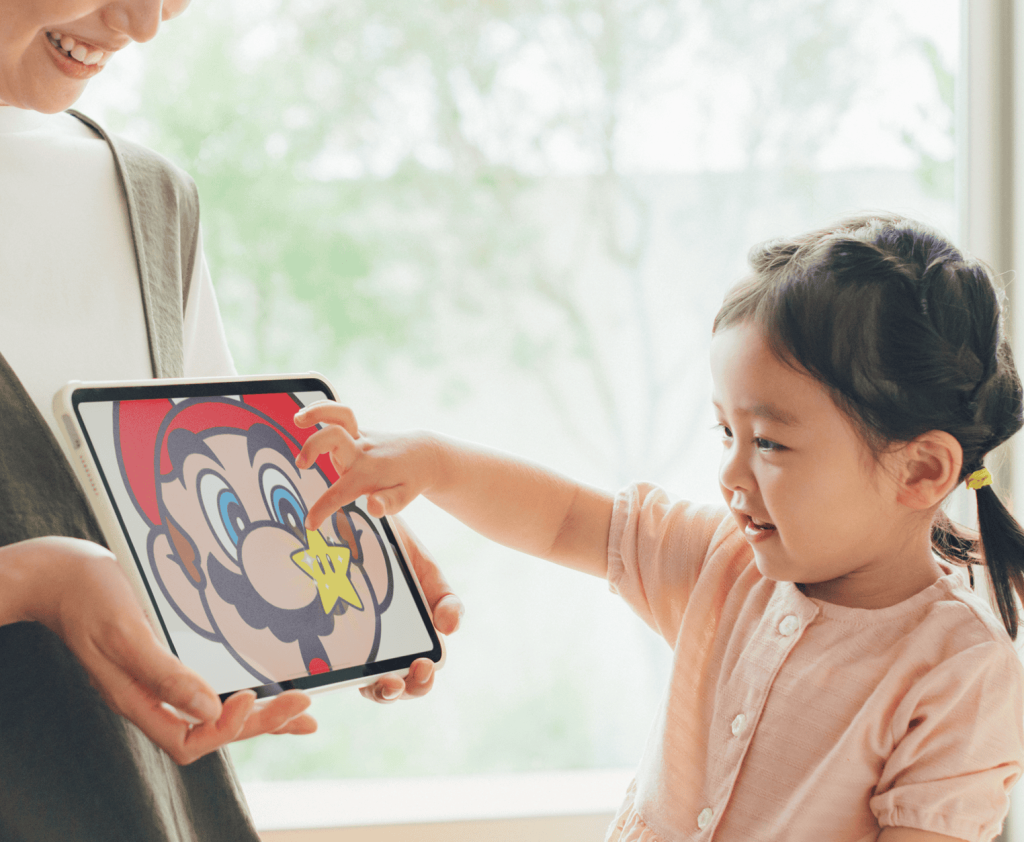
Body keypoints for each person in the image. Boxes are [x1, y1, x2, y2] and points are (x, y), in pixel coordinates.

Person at [295, 213, 1024, 842]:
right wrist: (435, 464)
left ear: (921, 470)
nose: (731, 474)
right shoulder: (724, 563)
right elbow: (565, 519)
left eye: (770, 443)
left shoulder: (960, 674)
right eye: (725, 432)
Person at [0, 1, 461, 839]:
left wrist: (319, 511)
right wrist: (29, 582)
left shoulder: (150, 199)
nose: (141, 24)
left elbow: (191, 503)